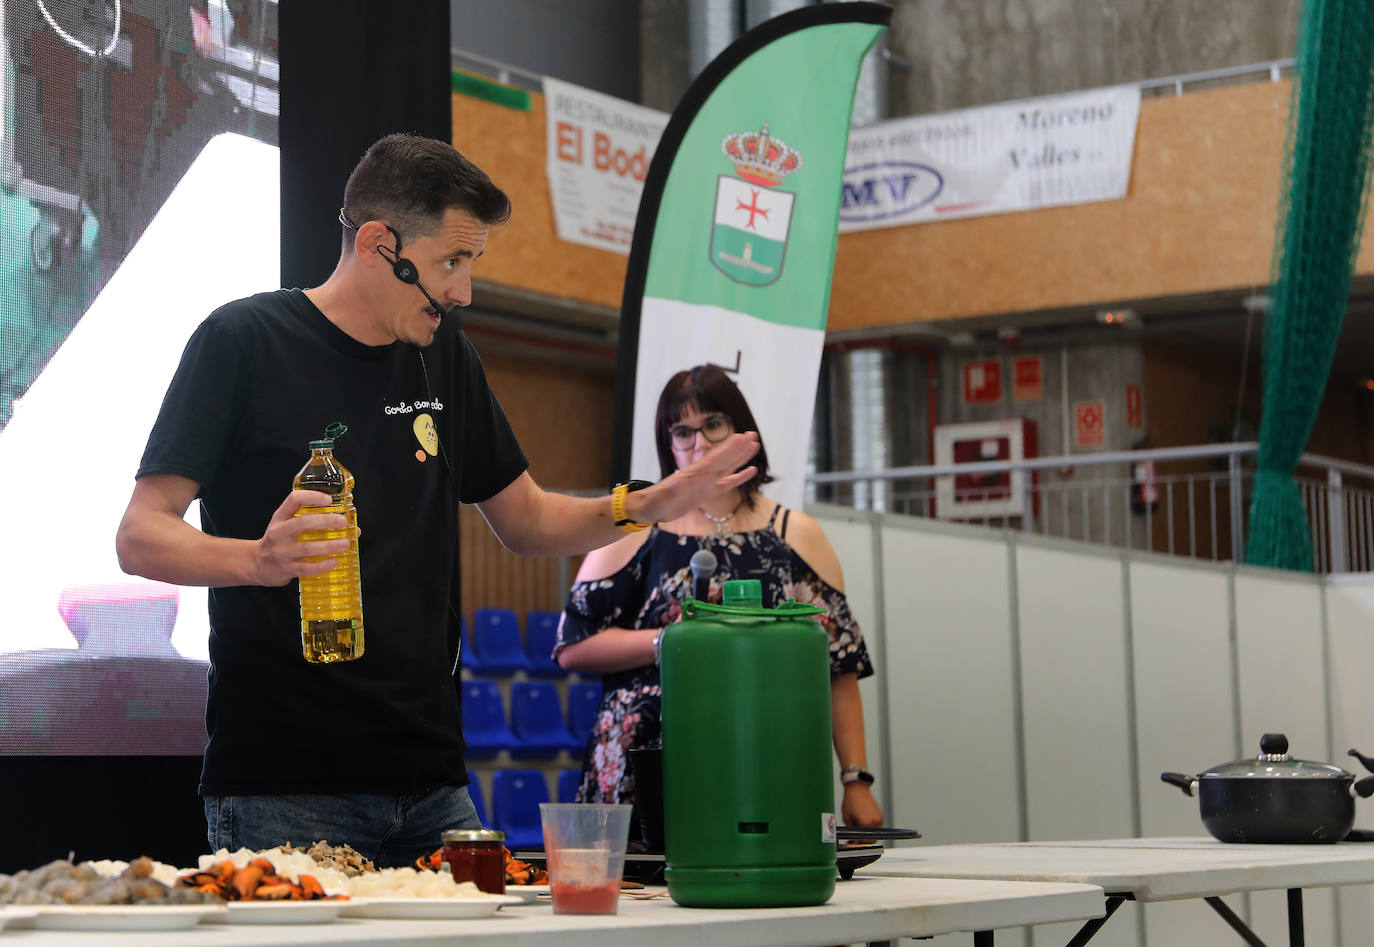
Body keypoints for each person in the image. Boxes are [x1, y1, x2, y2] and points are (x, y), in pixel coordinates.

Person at [114, 135, 759, 867]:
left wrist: (651, 500)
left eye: (472, 263)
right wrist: (261, 559)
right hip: (285, 781)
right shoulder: (243, 341)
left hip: (433, 782)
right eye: (453, 262)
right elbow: (140, 535)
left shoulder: (443, 357)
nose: (463, 291)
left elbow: (527, 519)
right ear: (378, 243)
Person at [555, 364, 884, 829]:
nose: (701, 445)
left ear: (741, 430)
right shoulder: (636, 528)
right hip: (642, 767)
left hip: (767, 761)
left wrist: (856, 780)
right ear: (668, 447)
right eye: (682, 432)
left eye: (713, 424)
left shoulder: (796, 534)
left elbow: (840, 669)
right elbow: (572, 645)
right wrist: (671, 640)